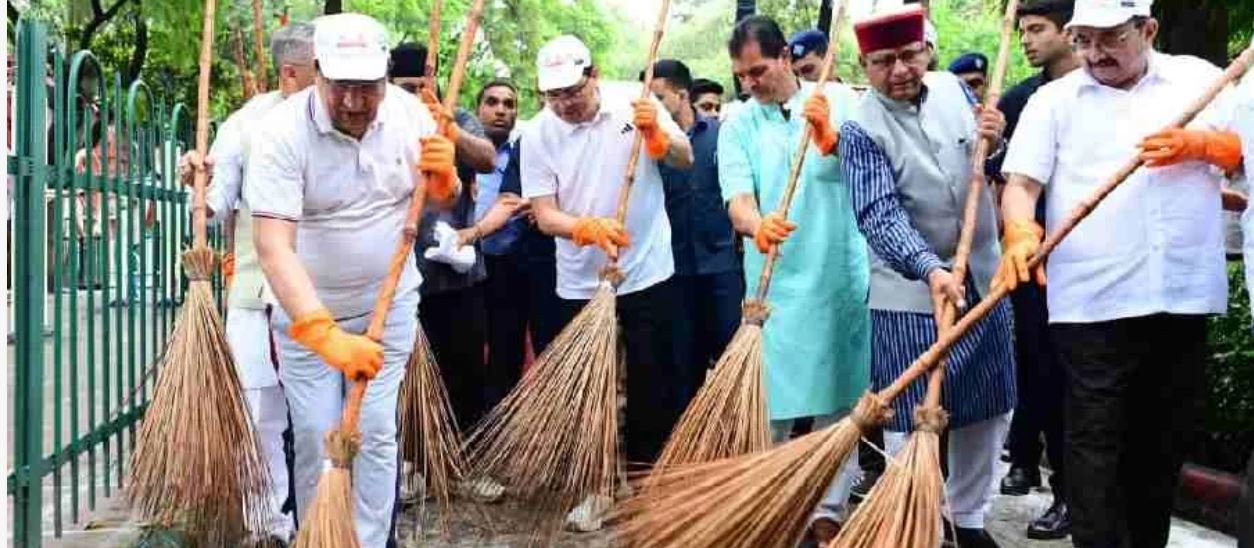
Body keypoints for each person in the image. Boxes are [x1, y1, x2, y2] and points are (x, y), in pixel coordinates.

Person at [998, 1, 1236, 545]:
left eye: (1111, 38)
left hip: (1181, 296)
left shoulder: (1201, 82)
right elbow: (1021, 186)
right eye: (1084, 39)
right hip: (1093, 301)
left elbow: (1246, 154)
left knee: (1161, 444)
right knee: (1095, 447)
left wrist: (1208, 145)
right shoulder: (1053, 101)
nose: (1095, 53)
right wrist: (1020, 231)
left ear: (1148, 29)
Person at [246, 13, 452, 546]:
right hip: (306, 317)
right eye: (342, 87)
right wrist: (322, 331)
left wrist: (445, 177)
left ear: (385, 77)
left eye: (368, 88)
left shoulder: (410, 116)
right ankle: (320, 535)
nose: (355, 102)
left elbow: (438, 199)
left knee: (377, 432)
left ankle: (370, 537)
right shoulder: (279, 133)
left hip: (389, 305)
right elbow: (272, 244)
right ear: (316, 73)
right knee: (316, 433)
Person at [840, 6, 1014, 548]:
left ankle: (968, 517)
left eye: (910, 56)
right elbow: (878, 215)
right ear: (864, 64)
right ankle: (912, 517)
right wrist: (930, 269)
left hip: (982, 278)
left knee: (990, 405)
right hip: (910, 292)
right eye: (884, 61)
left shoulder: (956, 93)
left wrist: (998, 139)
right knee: (910, 416)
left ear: (928, 52)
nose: (900, 70)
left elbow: (988, 168)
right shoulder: (859, 127)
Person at [519, 34, 693, 531]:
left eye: (572, 91)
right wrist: (582, 227)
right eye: (554, 96)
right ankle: (596, 486)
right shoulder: (538, 134)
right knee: (592, 387)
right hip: (580, 279)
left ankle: (640, 484)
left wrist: (658, 138)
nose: (565, 104)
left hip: (646, 269)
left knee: (649, 381)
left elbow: (685, 158)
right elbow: (544, 212)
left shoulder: (633, 101)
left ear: (592, 75)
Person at [718, 15, 870, 544]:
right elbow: (738, 198)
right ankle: (768, 498)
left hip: (839, 274)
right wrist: (757, 226)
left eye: (758, 70)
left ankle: (828, 508)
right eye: (742, 75)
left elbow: (870, 172)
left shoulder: (840, 102)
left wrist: (831, 137)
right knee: (770, 401)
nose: (750, 82)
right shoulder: (737, 121)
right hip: (774, 282)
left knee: (841, 397)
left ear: (785, 56)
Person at [176, 21, 317, 544]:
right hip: (257, 294)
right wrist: (196, 177)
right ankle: (268, 524)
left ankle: (321, 518)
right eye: (318, 70)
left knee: (318, 416)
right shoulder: (248, 123)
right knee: (260, 411)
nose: (334, 83)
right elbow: (213, 203)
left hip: (326, 295)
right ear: (290, 72)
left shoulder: (342, 118)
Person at [988, 0, 1079, 540]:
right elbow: (1002, 180)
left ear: (1071, 30)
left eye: (1038, 29)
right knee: (1044, 380)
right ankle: (1065, 492)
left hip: (1099, 262)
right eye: (1022, 31)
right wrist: (995, 142)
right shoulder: (1022, 100)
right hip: (1036, 264)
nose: (1026, 40)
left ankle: (1093, 496)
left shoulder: (1108, 93)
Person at [639, 59, 742, 405]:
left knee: (731, 356)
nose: (650, 107)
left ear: (682, 95)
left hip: (722, 266)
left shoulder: (722, 135)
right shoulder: (646, 143)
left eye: (658, 98)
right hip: (672, 270)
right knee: (682, 364)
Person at [471, 79, 535, 409]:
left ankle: (499, 424)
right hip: (467, 263)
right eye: (492, 102)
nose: (501, 110)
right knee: (467, 347)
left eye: (509, 104)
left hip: (512, 263)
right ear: (477, 108)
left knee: (507, 347)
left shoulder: (527, 152)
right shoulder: (463, 152)